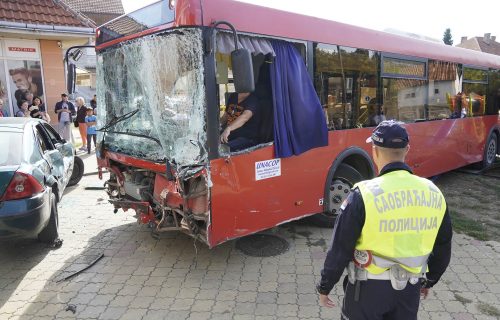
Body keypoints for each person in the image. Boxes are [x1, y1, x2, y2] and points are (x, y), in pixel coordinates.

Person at [317, 120, 452, 320]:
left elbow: (340, 248)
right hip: (409, 290)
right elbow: (443, 247)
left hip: (366, 291)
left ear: (375, 151)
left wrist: (325, 286)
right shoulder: (433, 193)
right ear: (407, 149)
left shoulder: (363, 193)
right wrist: (429, 280)